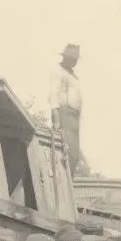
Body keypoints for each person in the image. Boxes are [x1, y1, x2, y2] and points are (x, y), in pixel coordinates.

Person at [50, 44, 83, 173]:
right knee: (67, 153)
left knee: (75, 156)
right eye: (72, 58)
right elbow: (54, 97)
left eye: (76, 59)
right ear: (66, 57)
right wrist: (56, 121)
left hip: (75, 118)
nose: (74, 62)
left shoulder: (74, 76)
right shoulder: (58, 72)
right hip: (65, 115)